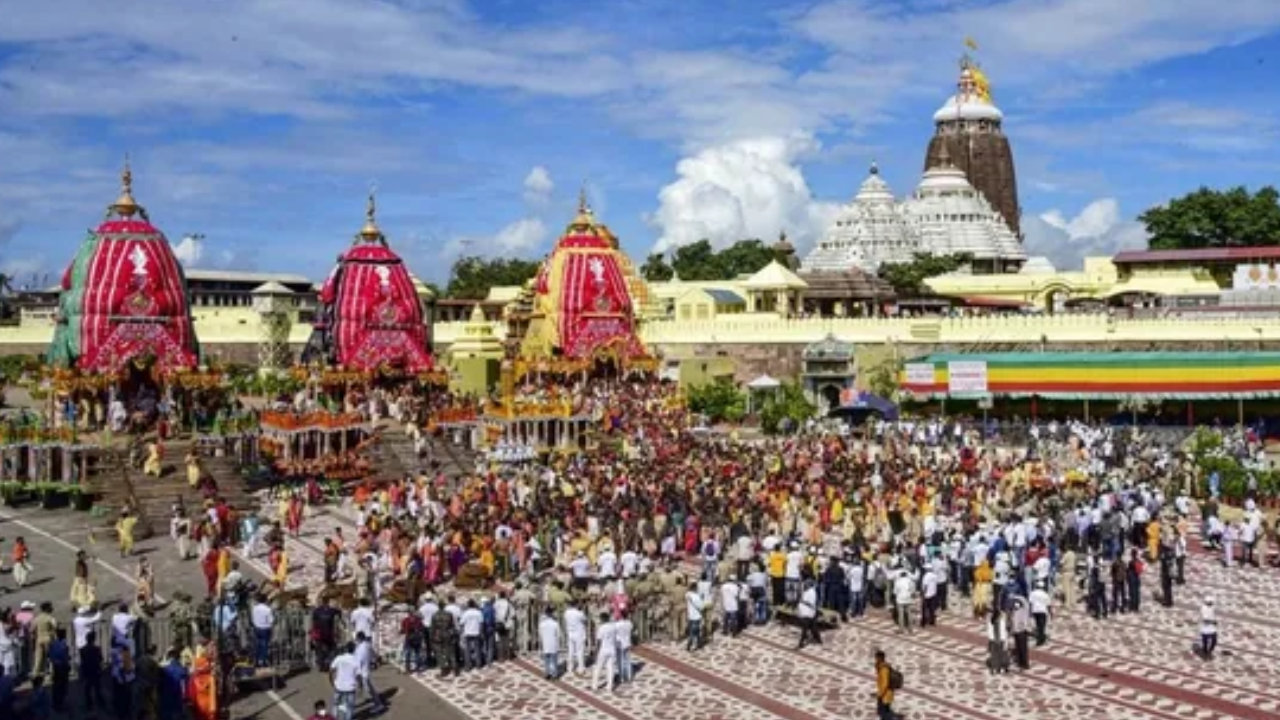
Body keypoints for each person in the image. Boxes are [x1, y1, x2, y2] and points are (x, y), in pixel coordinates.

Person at [354, 632, 387, 714]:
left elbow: (358, 662)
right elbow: (374, 654)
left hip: (362, 673)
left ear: (359, 639)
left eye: (357, 639)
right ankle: (378, 704)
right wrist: (376, 660)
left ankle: (378, 705)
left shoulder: (360, 648)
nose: (356, 641)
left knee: (368, 690)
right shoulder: (367, 645)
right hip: (365, 671)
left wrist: (356, 674)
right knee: (367, 689)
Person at [330, 642, 360, 720]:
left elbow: (331, 670)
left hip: (339, 686)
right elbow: (358, 676)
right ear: (354, 649)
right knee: (349, 707)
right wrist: (361, 686)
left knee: (336, 704)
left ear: (346, 649)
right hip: (350, 688)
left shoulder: (339, 658)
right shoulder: (356, 660)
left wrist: (331, 681)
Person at [79, 630, 105, 714]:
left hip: (87, 671)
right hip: (96, 670)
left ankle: (89, 704)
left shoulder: (82, 649)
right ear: (94, 639)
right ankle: (100, 702)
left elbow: (82, 661)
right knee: (97, 688)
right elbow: (101, 659)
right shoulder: (97, 649)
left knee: (88, 689)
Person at [591, 612, 617, 693]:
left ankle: (594, 686)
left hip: (603, 649)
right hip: (612, 649)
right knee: (610, 668)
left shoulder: (601, 628)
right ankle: (609, 686)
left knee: (598, 668)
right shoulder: (613, 627)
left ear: (602, 619)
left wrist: (596, 652)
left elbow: (599, 641)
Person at [49, 628, 72, 713]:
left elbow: (50, 655)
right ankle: (61, 704)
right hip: (63, 667)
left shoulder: (53, 643)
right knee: (63, 687)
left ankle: (56, 703)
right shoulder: (64, 645)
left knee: (56, 686)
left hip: (56, 667)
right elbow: (65, 658)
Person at [874, 650, 900, 720]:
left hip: (885, 695)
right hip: (885, 694)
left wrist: (880, 694)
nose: (875, 659)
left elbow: (885, 683)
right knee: (884, 712)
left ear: (880, 658)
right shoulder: (882, 666)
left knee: (884, 713)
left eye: (876, 658)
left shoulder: (884, 669)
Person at [537, 607, 561, 680]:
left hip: (545, 643)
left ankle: (547, 673)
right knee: (554, 661)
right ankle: (554, 674)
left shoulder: (542, 624)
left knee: (546, 660)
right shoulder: (555, 624)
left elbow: (540, 635)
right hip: (553, 644)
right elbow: (559, 635)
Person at [797, 579, 822, 649]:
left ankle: (801, 642)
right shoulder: (807, 591)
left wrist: (802, 601)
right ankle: (818, 639)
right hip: (806, 612)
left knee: (805, 629)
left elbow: (811, 604)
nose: (805, 585)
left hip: (808, 613)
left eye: (806, 584)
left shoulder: (812, 593)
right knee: (813, 626)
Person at [565, 601, 588, 673]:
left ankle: (569, 668)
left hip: (570, 633)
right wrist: (581, 611)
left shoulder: (566, 613)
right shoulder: (579, 613)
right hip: (579, 633)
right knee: (580, 651)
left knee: (571, 651)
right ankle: (580, 668)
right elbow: (585, 620)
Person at [1199, 596, 1218, 660]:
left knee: (1214, 641)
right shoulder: (1203, 609)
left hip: (1212, 628)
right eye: (1211, 602)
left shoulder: (1211, 607)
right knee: (1206, 642)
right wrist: (1213, 622)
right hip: (1205, 628)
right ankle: (1205, 654)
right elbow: (1205, 620)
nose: (1212, 603)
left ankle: (1209, 651)